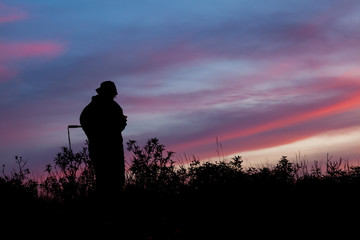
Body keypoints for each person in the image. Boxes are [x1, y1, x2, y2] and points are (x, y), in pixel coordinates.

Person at [80, 81, 127, 202]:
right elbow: (116, 127)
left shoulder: (93, 108)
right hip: (105, 150)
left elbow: (118, 126)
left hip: (108, 149)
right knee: (108, 182)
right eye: (112, 93)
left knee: (111, 181)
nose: (113, 96)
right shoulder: (105, 107)